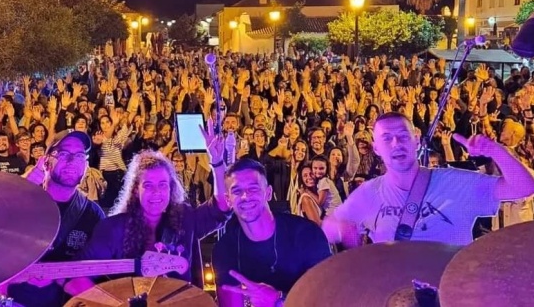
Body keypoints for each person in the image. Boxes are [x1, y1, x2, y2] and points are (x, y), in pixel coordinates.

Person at [66, 120, 232, 294]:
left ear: (171, 188)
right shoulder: (113, 229)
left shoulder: (185, 218)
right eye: (148, 185)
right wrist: (110, 302)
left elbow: (220, 207)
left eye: (162, 185)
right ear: (136, 190)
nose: (156, 192)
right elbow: (75, 276)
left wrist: (218, 163)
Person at [322, 112, 534, 248]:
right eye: (387, 138)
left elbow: (524, 187)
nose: (396, 143)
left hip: (449, 293)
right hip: (395, 293)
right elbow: (329, 226)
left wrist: (495, 150)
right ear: (376, 148)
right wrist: (341, 229)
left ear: (416, 139)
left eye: (403, 136)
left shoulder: (455, 182)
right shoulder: (369, 192)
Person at [1, 130, 106, 307]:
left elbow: (94, 273)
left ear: (86, 166)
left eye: (80, 156)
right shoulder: (19, 204)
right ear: (46, 161)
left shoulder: (93, 215)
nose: (72, 161)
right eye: (64, 153)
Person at [213, 158, 332, 307]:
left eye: (253, 188)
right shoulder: (225, 249)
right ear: (228, 200)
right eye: (237, 191)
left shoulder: (307, 234)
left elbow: (329, 298)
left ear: (268, 193)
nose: (245, 196)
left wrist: (280, 300)